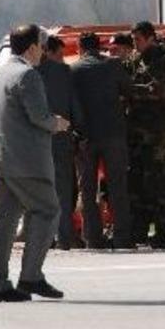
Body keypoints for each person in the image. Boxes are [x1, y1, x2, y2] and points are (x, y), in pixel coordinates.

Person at [0, 23, 71, 303]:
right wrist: (57, 123)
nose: (43, 52)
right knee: (47, 211)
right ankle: (30, 276)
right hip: (27, 161)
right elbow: (39, 117)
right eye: (42, 47)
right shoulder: (28, 76)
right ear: (33, 47)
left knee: (4, 220)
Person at [71, 31, 134, 250]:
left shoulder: (74, 70)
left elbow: (71, 103)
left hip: (85, 136)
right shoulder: (113, 65)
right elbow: (129, 90)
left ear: (80, 48)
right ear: (99, 47)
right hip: (114, 134)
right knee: (118, 187)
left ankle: (93, 238)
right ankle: (122, 237)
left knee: (87, 190)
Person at [127, 21, 165, 248]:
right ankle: (140, 230)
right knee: (137, 183)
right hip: (137, 132)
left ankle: (162, 231)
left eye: (138, 39)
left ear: (149, 38)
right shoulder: (137, 61)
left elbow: (159, 90)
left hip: (156, 132)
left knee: (156, 182)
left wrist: (129, 90)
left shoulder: (163, 61)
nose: (135, 44)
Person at [38, 34, 83, 249]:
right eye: (60, 53)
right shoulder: (64, 73)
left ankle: (41, 238)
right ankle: (64, 236)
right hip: (61, 137)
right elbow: (75, 106)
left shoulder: (28, 73)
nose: (62, 58)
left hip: (35, 141)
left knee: (37, 190)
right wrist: (79, 130)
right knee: (63, 190)